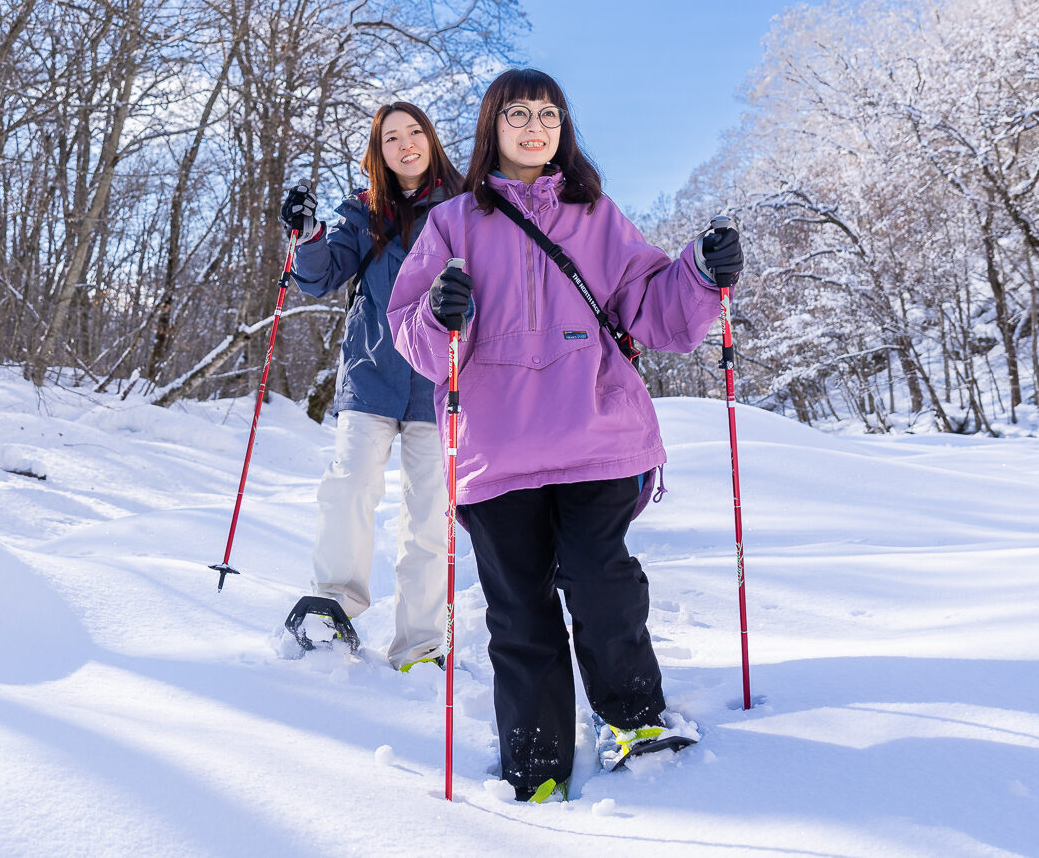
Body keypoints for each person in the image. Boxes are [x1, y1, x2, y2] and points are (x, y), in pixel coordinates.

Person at [385, 68, 744, 802]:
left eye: (548, 113)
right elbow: (413, 336)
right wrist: (439, 314)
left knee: (598, 575)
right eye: (517, 112)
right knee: (518, 610)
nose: (534, 126)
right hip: (497, 450)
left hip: (595, 434)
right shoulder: (452, 222)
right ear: (493, 127)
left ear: (562, 128)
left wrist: (701, 274)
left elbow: (653, 310)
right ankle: (534, 762)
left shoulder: (596, 214)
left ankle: (637, 719)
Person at [278, 100, 465, 671]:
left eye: (414, 132)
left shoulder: (464, 210)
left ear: (430, 140)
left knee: (430, 514)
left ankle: (422, 642)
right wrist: (306, 236)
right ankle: (332, 608)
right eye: (391, 138)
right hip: (370, 376)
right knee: (349, 487)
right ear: (377, 153)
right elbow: (320, 276)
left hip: (440, 381)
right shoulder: (363, 212)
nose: (405, 144)